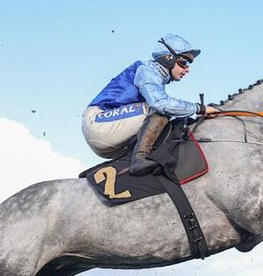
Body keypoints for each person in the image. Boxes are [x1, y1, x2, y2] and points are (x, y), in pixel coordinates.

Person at [82, 34, 219, 176]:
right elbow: (161, 103)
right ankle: (139, 160)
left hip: (109, 129)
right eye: (183, 62)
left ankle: (123, 164)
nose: (187, 69)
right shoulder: (146, 70)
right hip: (98, 121)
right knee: (160, 109)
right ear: (168, 58)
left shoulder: (156, 77)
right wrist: (200, 108)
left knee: (165, 119)